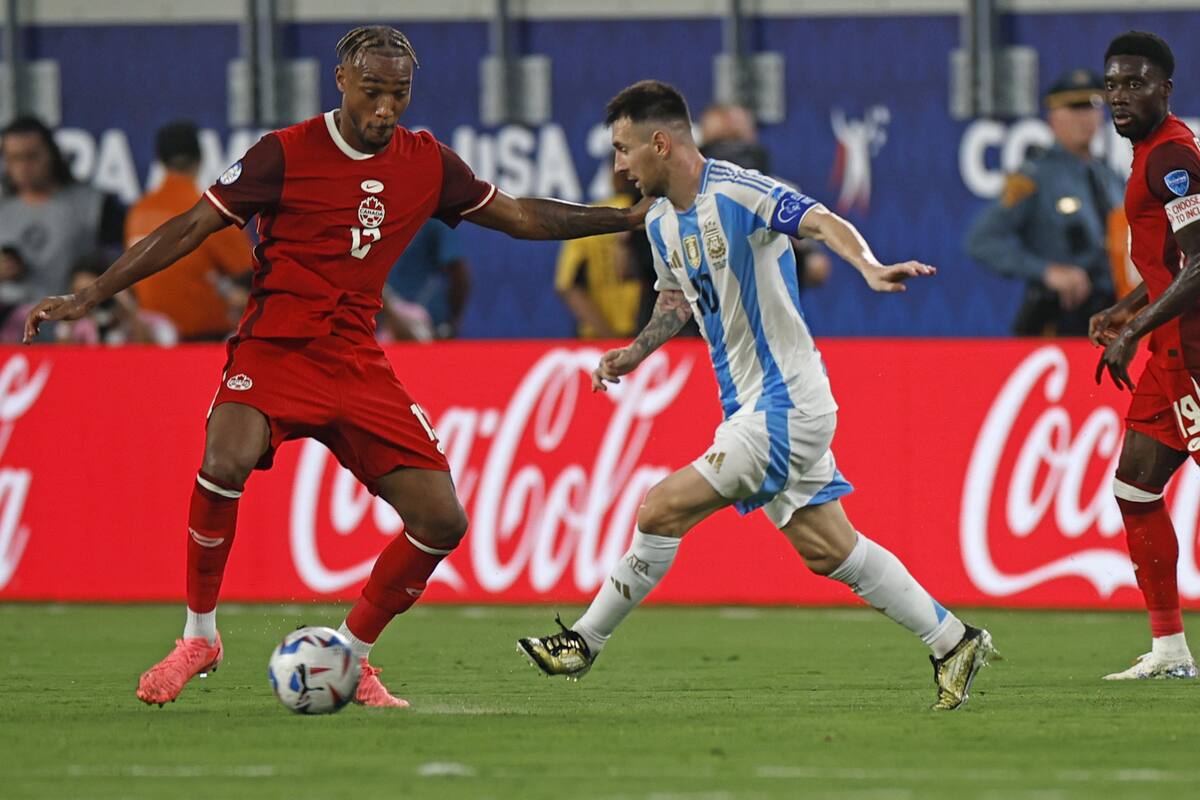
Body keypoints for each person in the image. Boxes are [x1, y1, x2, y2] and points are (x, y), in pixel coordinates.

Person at [23, 25, 649, 709]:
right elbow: (190, 228)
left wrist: (622, 219)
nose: (385, 109)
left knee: (443, 522)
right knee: (223, 460)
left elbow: (522, 215)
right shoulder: (283, 154)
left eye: (399, 94)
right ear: (342, 81)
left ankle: (351, 654)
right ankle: (198, 635)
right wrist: (88, 296)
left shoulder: (427, 162)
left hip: (355, 359)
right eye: (373, 92)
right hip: (275, 350)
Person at [518, 81, 997, 711]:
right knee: (828, 549)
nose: (618, 165)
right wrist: (635, 352)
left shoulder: (740, 190)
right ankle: (952, 639)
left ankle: (584, 640)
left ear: (660, 143)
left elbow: (822, 220)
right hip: (753, 410)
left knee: (659, 509)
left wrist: (869, 265)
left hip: (785, 406)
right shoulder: (661, 221)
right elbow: (675, 299)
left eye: (623, 149)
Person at [1091, 31, 1200, 680]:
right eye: (1113, 84)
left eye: (1135, 83)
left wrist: (1132, 332)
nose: (1120, 96)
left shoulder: (1171, 158)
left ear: (1165, 88)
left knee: (1134, 490)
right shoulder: (1153, 155)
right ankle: (1169, 650)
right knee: (1135, 490)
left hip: (1193, 352)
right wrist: (1129, 309)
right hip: (1170, 353)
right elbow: (1170, 259)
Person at [965, 69, 1126, 336]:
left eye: (1091, 107)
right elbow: (981, 240)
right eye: (1074, 108)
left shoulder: (1111, 177)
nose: (1084, 117)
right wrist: (1048, 272)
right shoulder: (1034, 177)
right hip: (1063, 317)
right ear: (1053, 117)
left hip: (1113, 313)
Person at [126, 121, 252, 341]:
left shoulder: (138, 212)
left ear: (161, 162)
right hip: (202, 340)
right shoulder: (210, 209)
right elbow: (250, 273)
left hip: (149, 342)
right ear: (200, 159)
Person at [0, 116, 125, 310]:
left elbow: (122, 264)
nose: (24, 167)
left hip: (73, 322)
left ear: (51, 154)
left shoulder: (93, 205)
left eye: (31, 156)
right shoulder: (3, 209)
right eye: (14, 158)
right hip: (10, 326)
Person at [555, 168, 645, 339]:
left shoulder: (586, 218)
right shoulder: (653, 214)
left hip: (597, 339)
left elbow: (567, 286)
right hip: (650, 335)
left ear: (613, 178)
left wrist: (607, 337)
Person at [384, 218, 469, 338]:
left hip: (426, 324)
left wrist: (451, 323)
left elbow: (459, 273)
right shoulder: (383, 215)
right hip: (388, 323)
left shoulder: (435, 219)